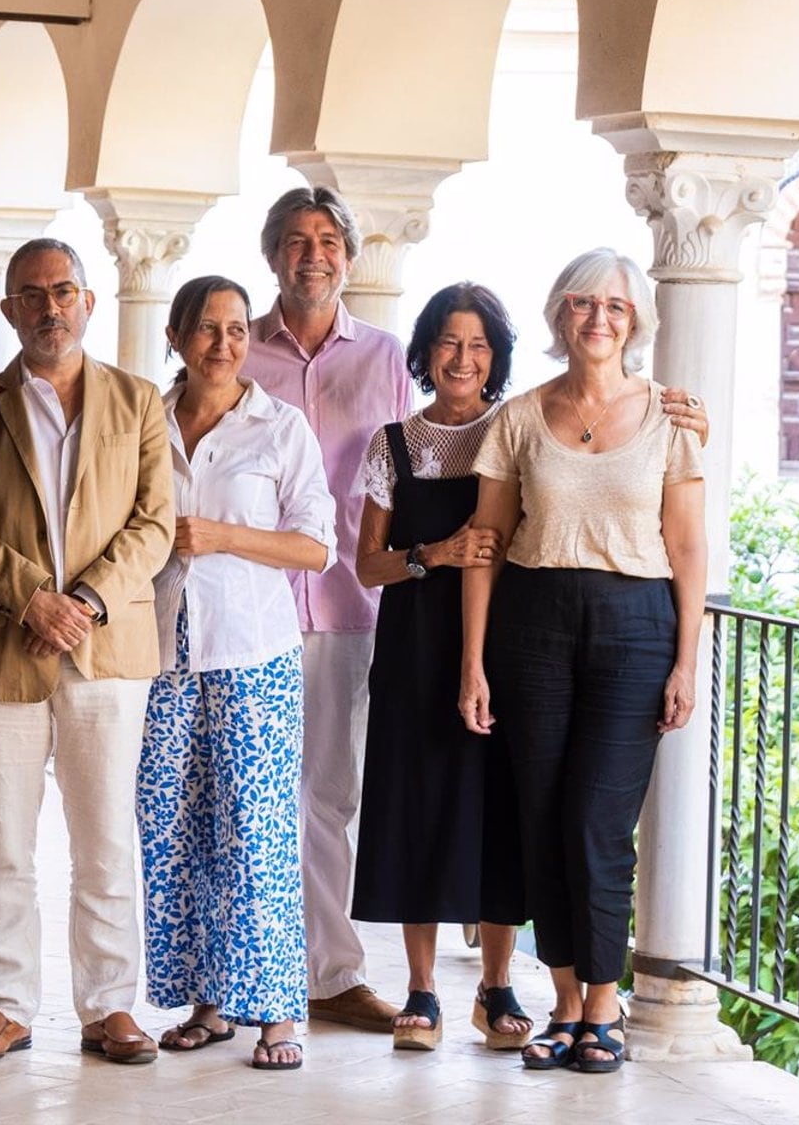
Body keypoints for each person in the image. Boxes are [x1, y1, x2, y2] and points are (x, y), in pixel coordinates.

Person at [461, 248, 708, 1074]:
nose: (597, 318)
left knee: (598, 825)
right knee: (541, 818)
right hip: (532, 623)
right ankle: (563, 1003)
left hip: (635, 626)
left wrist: (685, 660)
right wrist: (474, 663)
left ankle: (606, 1003)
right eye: (580, 303)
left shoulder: (673, 420)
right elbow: (487, 548)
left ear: (635, 319)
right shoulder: (523, 416)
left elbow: (687, 546)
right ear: (560, 316)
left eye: (614, 305)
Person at [0, 239, 173, 1066]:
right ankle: (5, 1006)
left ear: (90, 301)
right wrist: (29, 595)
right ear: (8, 309)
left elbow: (155, 523)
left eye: (64, 291)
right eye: (33, 295)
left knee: (107, 838)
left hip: (107, 651)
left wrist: (81, 600)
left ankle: (110, 1006)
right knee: (1, 841)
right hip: (1, 649)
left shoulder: (139, 400)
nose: (51, 307)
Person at [139, 275, 335, 1072]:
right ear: (177, 338)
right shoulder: (145, 421)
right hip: (160, 655)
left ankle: (279, 1012)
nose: (224, 345)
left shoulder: (279, 427)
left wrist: (222, 534)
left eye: (237, 330)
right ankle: (207, 1003)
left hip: (254, 654)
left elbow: (316, 547)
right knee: (171, 828)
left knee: (256, 830)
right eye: (207, 330)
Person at [239, 187, 409, 1031]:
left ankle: (333, 974)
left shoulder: (388, 359)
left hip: (352, 601)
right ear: (273, 255)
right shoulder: (237, 351)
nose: (315, 254)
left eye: (330, 240)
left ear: (350, 255)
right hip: (252, 607)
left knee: (332, 793)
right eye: (298, 241)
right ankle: (250, 973)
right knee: (251, 792)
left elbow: (431, 461)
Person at [348, 282, 529, 1052]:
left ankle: (497, 988)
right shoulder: (392, 443)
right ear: (424, 353)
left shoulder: (517, 433)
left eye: (479, 344)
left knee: (498, 812)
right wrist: (434, 555)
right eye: (450, 343)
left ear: (497, 358)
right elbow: (366, 566)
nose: (463, 358)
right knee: (416, 808)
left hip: (506, 649)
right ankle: (422, 992)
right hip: (415, 650)